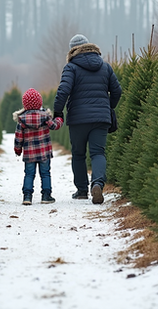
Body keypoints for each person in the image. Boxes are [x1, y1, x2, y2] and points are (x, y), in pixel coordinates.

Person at [54, 34, 122, 205]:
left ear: (72, 50)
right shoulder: (105, 67)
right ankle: (97, 184)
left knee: (78, 154)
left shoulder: (71, 68)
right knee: (98, 153)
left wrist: (58, 113)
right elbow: (117, 91)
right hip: (101, 118)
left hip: (78, 119)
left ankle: (82, 190)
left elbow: (63, 91)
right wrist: (108, 106)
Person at [13, 88, 63, 205]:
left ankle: (27, 196)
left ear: (25, 104)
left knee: (29, 174)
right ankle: (46, 196)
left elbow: (18, 137)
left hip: (29, 154)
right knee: (45, 173)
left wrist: (18, 149)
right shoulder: (45, 117)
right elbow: (55, 126)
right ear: (39, 102)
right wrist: (59, 119)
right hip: (44, 153)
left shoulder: (22, 120)